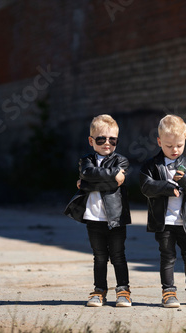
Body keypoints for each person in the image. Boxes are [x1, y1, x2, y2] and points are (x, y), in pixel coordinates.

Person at [139, 114, 186, 308]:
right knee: (167, 257)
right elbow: (146, 187)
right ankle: (168, 292)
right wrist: (167, 187)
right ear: (159, 142)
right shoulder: (152, 166)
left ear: (185, 141)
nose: (174, 150)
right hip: (164, 222)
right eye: (169, 145)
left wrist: (184, 180)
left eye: (179, 145)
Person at [64, 114, 132, 307]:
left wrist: (87, 184)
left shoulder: (122, 161)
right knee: (99, 257)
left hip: (116, 218)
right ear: (91, 140)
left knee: (118, 256)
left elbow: (92, 180)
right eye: (101, 139)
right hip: (93, 218)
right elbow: (88, 174)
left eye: (113, 139)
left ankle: (123, 290)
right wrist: (108, 178)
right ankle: (99, 290)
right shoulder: (86, 160)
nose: (107, 143)